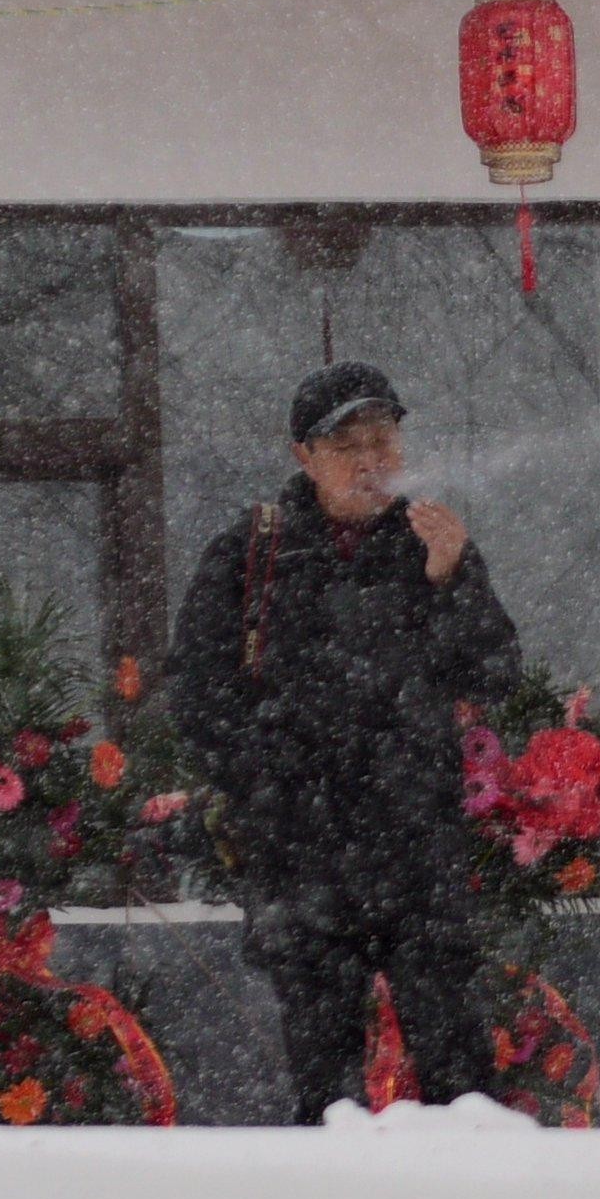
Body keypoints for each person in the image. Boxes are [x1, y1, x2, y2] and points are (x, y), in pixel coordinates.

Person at [169, 361, 532, 1119]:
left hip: (418, 850)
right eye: (348, 445)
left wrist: (452, 579)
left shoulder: (429, 541)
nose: (373, 461)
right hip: (302, 857)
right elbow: (198, 700)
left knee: (459, 1071)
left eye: (385, 438)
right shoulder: (251, 552)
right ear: (303, 455)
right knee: (324, 1082)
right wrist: (268, 785)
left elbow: (495, 672)